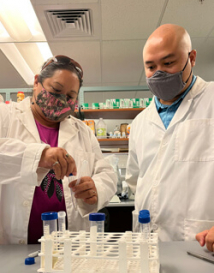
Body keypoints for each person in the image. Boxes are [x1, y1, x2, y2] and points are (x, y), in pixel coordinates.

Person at [0, 55, 117, 244]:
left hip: (71, 245)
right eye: (55, 90)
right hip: (14, 243)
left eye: (70, 96)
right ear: (37, 82)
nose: (62, 100)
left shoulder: (83, 131)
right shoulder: (6, 116)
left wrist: (97, 189)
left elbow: (106, 173)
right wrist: (38, 156)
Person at [126, 24, 214, 241]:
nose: (159, 73)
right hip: (147, 242)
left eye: (168, 63)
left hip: (200, 241)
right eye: (150, 66)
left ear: (191, 58)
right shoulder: (139, 122)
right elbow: (135, 180)